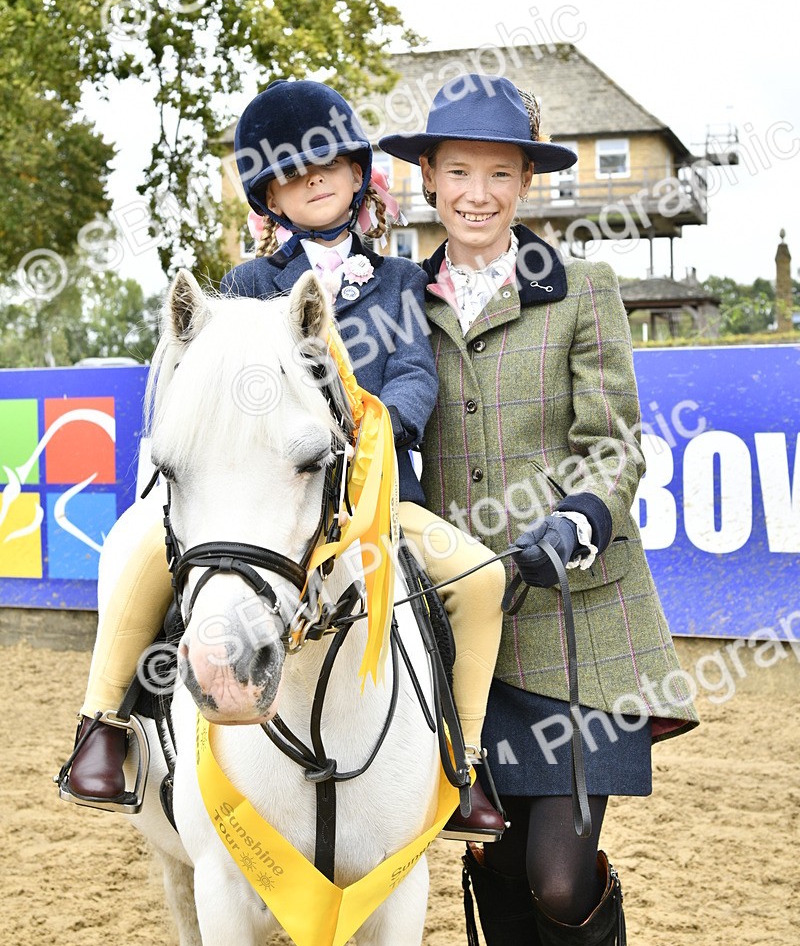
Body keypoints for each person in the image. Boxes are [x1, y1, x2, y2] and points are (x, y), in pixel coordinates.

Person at [62, 79, 507, 843]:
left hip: (373, 500)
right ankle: (104, 726)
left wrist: (362, 431)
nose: (313, 178)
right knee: (137, 544)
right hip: (267, 499)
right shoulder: (246, 286)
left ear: (356, 170)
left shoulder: (401, 281)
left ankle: (461, 762)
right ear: (268, 193)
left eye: (327, 161)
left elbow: (414, 377)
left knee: (481, 579)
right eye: (291, 170)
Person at [379, 74, 699, 946]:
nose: (476, 194)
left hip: (575, 627)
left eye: (498, 175)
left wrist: (578, 519)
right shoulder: (399, 306)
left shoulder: (584, 289)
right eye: (457, 173)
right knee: (495, 871)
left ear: (525, 185)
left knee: (558, 877)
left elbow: (617, 445)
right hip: (461, 637)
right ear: (429, 182)